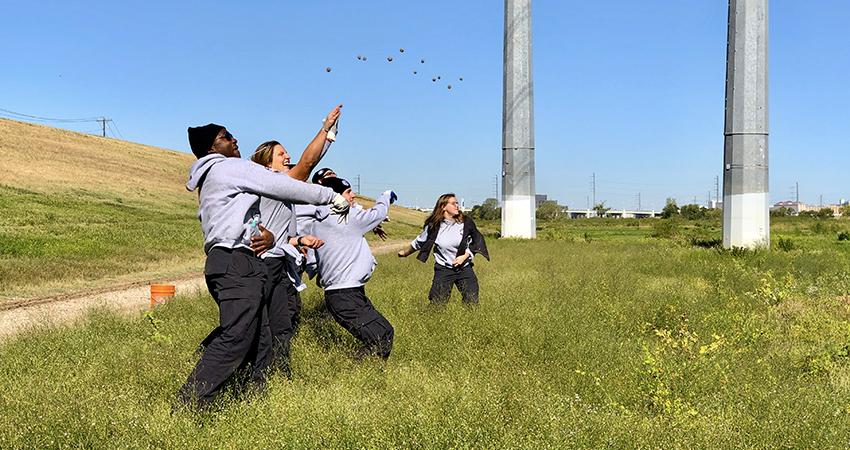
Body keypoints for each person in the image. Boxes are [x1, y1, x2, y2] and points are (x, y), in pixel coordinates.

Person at [177, 123, 349, 411]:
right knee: (237, 337)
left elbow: (239, 218)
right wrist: (331, 196)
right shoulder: (226, 167)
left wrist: (265, 233)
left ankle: (253, 399)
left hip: (232, 260)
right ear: (210, 148)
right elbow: (283, 185)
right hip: (236, 262)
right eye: (225, 137)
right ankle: (190, 403)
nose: (234, 139)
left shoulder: (214, 177)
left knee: (260, 336)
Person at [300, 177, 397, 359]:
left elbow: (313, 260)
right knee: (381, 336)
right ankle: (355, 373)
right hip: (345, 295)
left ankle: (366, 375)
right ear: (335, 197)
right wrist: (386, 196)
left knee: (383, 332)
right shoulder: (347, 217)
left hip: (344, 294)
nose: (353, 195)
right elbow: (378, 214)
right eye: (348, 192)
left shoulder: (317, 221)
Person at [398, 193, 489, 305]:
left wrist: (465, 256)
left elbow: (477, 240)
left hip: (464, 268)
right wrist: (405, 253)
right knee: (437, 304)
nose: (457, 206)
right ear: (443, 206)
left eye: (457, 203)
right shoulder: (433, 225)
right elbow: (419, 242)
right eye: (453, 203)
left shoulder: (465, 222)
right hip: (444, 269)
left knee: (472, 301)